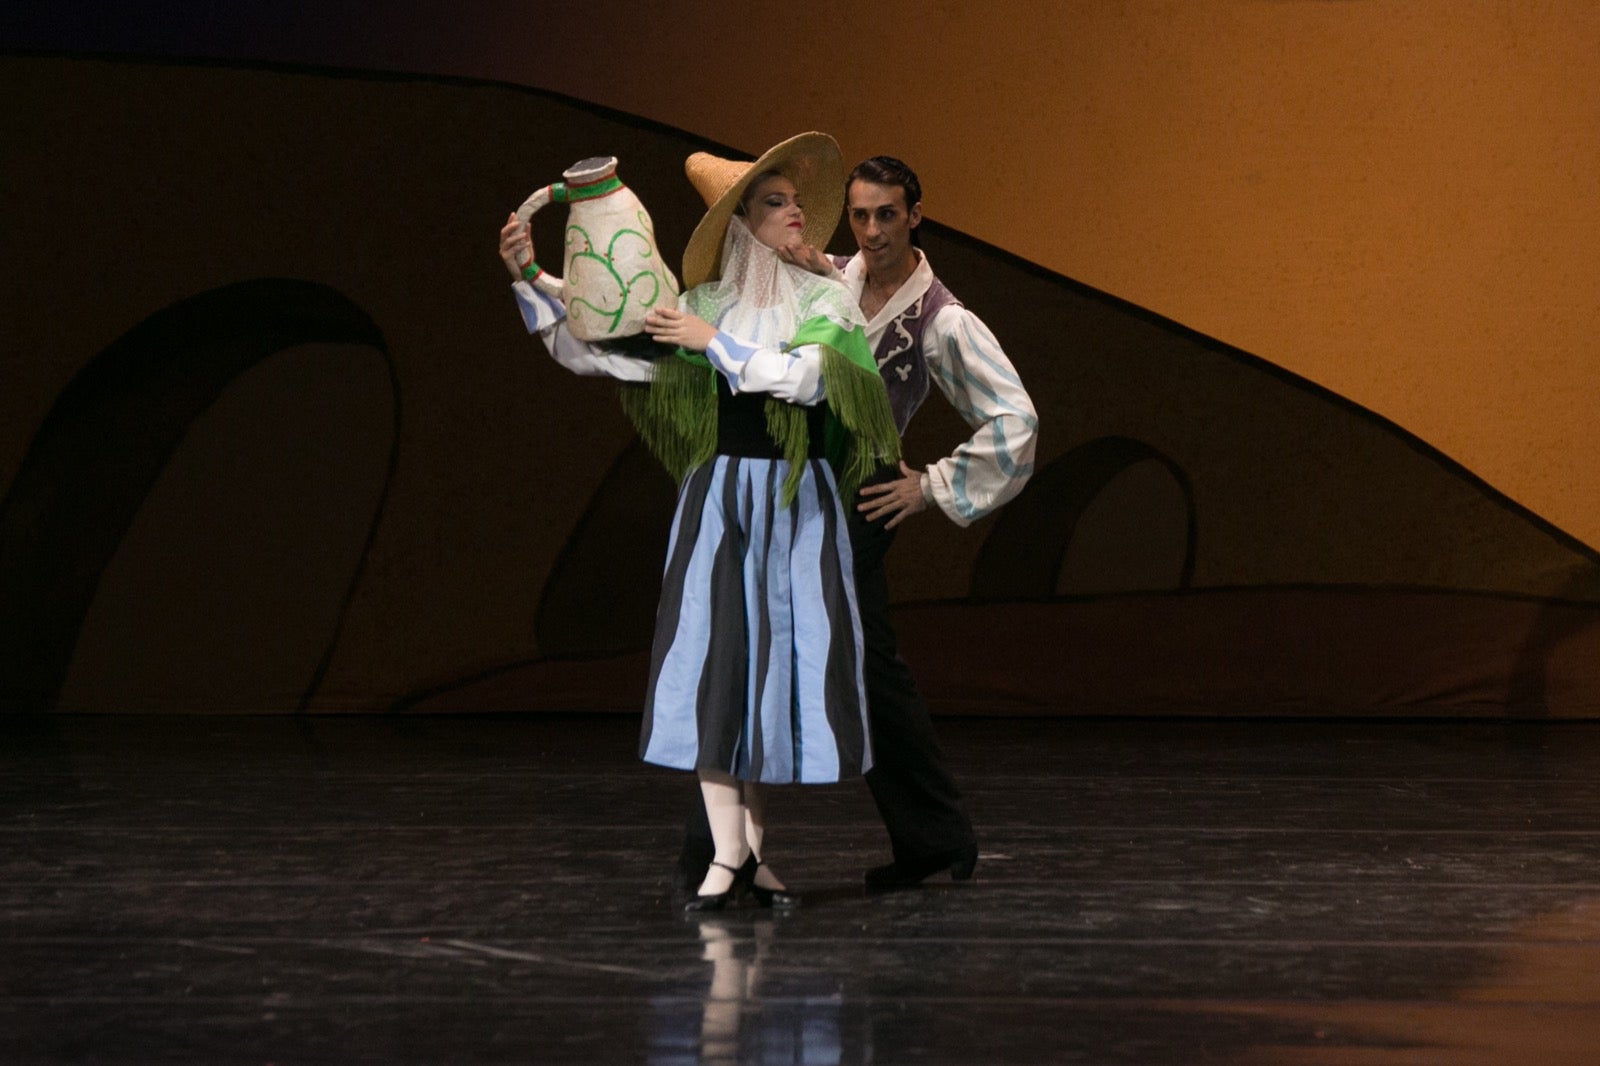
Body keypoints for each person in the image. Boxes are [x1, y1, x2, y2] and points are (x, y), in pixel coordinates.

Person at [498, 133, 902, 913]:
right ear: (742, 222)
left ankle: (748, 854)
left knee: (769, 673)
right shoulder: (706, 302)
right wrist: (530, 273)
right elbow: (604, 343)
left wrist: (710, 343)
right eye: (775, 203)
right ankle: (728, 853)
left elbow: (807, 383)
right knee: (720, 664)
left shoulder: (823, 301)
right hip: (722, 500)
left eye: (796, 203)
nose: (795, 216)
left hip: (793, 503)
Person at [676, 155, 1039, 894]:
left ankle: (918, 837)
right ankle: (730, 848)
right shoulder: (829, 276)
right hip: (792, 479)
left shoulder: (941, 319)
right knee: (766, 647)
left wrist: (931, 486)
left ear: (915, 217)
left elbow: (1016, 419)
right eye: (861, 215)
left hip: (859, 497)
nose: (871, 231)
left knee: (847, 661)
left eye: (886, 215)